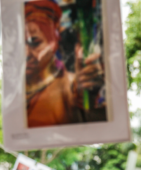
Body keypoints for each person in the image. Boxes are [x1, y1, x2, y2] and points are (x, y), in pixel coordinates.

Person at [24, 0, 105, 128]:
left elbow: (100, 124)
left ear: (54, 43)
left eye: (35, 43)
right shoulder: (16, 91)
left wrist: (90, 90)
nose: (26, 53)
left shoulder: (71, 87)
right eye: (19, 44)